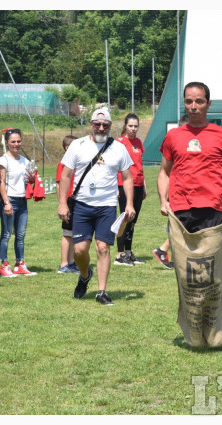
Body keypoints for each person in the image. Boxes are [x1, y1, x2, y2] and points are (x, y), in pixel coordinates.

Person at [57, 107, 136, 306]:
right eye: (97, 124)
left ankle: (101, 291)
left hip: (107, 206)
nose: (101, 128)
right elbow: (65, 176)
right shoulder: (78, 145)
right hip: (82, 205)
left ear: (110, 126)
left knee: (103, 248)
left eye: (105, 125)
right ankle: (85, 275)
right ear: (91, 125)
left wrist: (129, 203)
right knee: (80, 251)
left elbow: (127, 178)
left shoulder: (119, 148)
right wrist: (62, 204)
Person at [158, 82, 222, 232]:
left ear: (208, 104)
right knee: (181, 256)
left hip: (212, 209)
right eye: (188, 101)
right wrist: (163, 201)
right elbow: (164, 172)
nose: (193, 106)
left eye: (199, 101)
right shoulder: (173, 136)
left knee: (210, 256)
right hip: (179, 208)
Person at [0, 128, 37, 277]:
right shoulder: (2, 160)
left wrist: (31, 179)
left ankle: (19, 264)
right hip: (10, 199)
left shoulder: (24, 160)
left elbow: (27, 180)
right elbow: (1, 183)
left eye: (18, 141)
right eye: (13, 141)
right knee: (6, 233)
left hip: (22, 200)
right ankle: (4, 265)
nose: (16, 144)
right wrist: (6, 202)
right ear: (7, 143)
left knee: (21, 235)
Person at [152, 114, 188, 270]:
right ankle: (162, 250)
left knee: (180, 227)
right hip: (176, 193)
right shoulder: (175, 145)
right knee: (180, 227)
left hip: (180, 192)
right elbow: (164, 173)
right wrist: (164, 200)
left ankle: (174, 258)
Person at [114, 113, 147, 266]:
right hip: (125, 185)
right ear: (125, 126)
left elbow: (139, 166)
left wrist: (144, 185)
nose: (133, 129)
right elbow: (113, 166)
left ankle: (128, 252)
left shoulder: (139, 142)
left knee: (133, 220)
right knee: (124, 219)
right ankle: (119, 255)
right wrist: (115, 186)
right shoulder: (119, 142)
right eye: (130, 126)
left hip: (139, 185)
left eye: (135, 126)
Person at [56, 135, 79, 273]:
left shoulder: (77, 162)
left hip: (78, 200)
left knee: (73, 234)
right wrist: (62, 203)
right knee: (67, 233)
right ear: (67, 148)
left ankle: (71, 263)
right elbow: (59, 184)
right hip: (69, 201)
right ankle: (64, 264)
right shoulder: (63, 164)